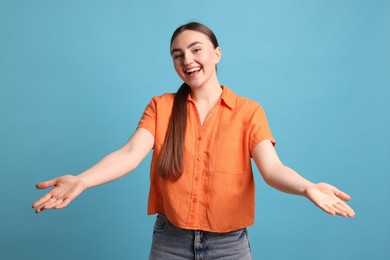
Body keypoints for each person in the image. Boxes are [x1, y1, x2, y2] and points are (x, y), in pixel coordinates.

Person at [32, 22, 355, 259]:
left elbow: (273, 169)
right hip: (169, 242)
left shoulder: (248, 111)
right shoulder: (161, 107)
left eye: (196, 49)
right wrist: (82, 180)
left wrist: (306, 186)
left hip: (230, 246)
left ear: (216, 54)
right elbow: (129, 154)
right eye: (178, 55)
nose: (187, 60)